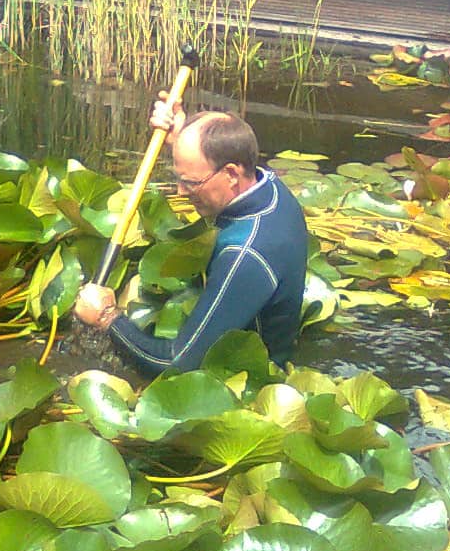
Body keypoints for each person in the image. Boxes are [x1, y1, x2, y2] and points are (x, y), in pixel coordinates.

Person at [74, 95, 307, 376]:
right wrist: (181, 139)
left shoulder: (244, 254)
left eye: (191, 182)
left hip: (247, 381)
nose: (181, 192)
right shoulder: (268, 185)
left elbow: (176, 366)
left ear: (231, 174)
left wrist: (107, 318)